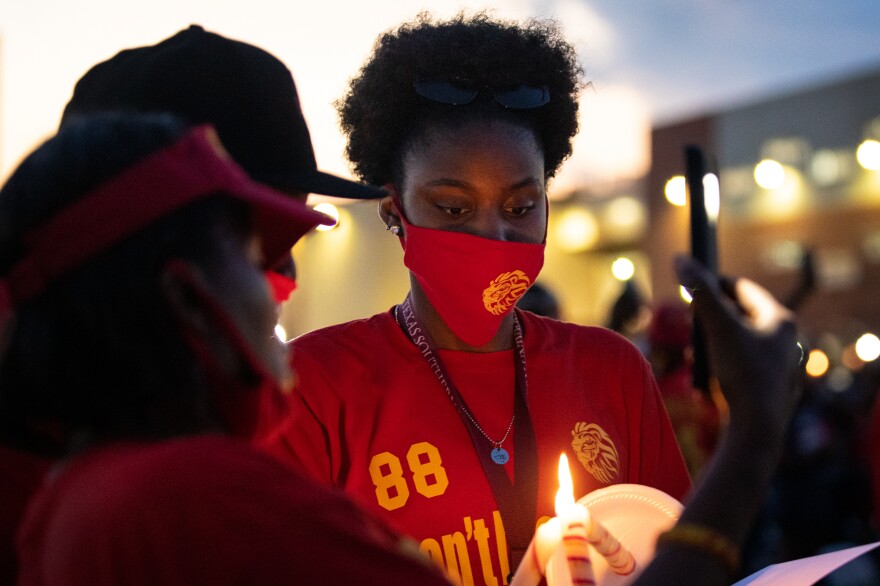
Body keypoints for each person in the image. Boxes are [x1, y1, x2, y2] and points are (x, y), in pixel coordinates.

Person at [265, 13, 691, 584]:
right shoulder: (315, 387)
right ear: (396, 213)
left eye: (520, 208)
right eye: (453, 208)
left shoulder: (613, 371)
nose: (494, 238)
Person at [0, 26, 388, 582]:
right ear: (181, 290)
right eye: (254, 242)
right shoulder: (192, 496)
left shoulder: (72, 495)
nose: (285, 277)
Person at [633, 256, 804, 585]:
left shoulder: (672, 385)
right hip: (704, 504)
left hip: (700, 501)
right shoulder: (685, 385)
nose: (658, 356)